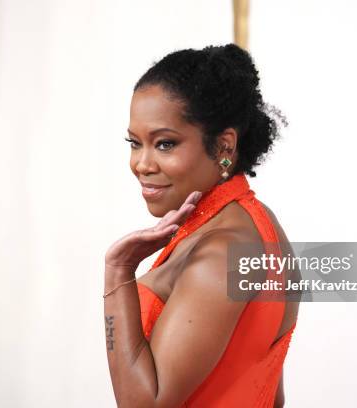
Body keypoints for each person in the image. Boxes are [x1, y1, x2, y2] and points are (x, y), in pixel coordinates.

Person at [103, 43, 299, 407]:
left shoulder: (221, 252)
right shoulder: (253, 224)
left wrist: (119, 270)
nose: (141, 164)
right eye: (134, 143)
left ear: (224, 146)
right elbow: (272, 396)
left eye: (164, 144)